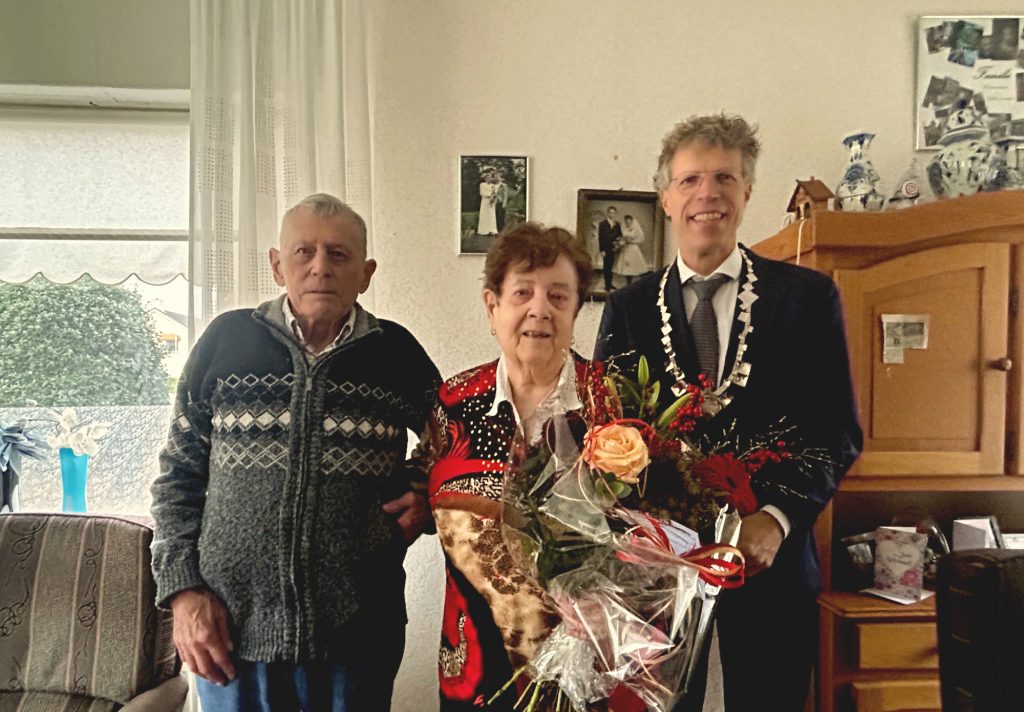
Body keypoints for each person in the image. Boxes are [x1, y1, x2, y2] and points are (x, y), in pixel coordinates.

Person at [595, 114, 862, 711]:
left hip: (772, 561)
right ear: (666, 198)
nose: (707, 194)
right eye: (690, 180)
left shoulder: (807, 299)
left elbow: (835, 429)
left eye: (724, 178)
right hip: (659, 568)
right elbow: (608, 434)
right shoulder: (628, 308)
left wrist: (777, 517)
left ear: (747, 191)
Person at [150, 193, 440, 712]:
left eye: (339, 254)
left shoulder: (395, 353)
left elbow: (460, 442)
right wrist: (182, 592)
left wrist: (426, 493)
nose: (320, 267)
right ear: (277, 266)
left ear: (366, 273)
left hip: (360, 637)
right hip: (230, 636)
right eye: (304, 252)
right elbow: (177, 475)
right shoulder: (226, 341)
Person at [426, 222, 595, 710]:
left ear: (575, 310)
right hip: (475, 664)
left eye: (558, 296)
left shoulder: (613, 402)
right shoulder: (453, 402)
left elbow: (653, 533)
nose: (540, 309)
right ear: (492, 306)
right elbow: (424, 486)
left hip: (588, 664)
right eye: (522, 292)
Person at [612, 214, 649, 284]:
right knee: (626, 267)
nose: (628, 223)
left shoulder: (636, 229)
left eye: (629, 222)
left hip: (633, 249)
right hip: (626, 249)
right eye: (627, 222)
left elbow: (641, 239)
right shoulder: (623, 229)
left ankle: (637, 282)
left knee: (634, 266)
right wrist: (622, 241)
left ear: (632, 221)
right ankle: (628, 282)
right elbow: (621, 238)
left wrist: (631, 241)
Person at [597, 205, 622, 291]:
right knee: (606, 267)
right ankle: (607, 285)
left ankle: (610, 284)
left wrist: (618, 244)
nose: (612, 214)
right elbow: (600, 237)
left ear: (615, 214)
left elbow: (620, 235)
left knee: (612, 267)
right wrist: (602, 250)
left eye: (613, 213)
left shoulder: (617, 224)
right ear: (607, 213)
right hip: (606, 249)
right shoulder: (602, 224)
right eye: (610, 213)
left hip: (614, 249)